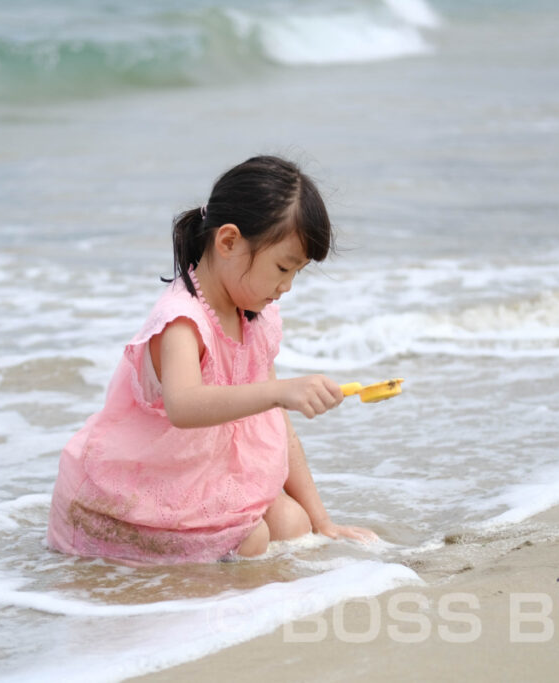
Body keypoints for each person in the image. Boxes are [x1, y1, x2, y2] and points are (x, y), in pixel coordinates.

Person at [46, 155, 377, 565]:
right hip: (138, 488)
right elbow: (183, 406)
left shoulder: (255, 315)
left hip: (204, 475)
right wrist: (279, 392)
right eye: (282, 268)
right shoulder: (182, 321)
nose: (287, 286)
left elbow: (276, 421)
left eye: (297, 273)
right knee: (253, 540)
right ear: (228, 242)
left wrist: (323, 520)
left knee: (295, 524)